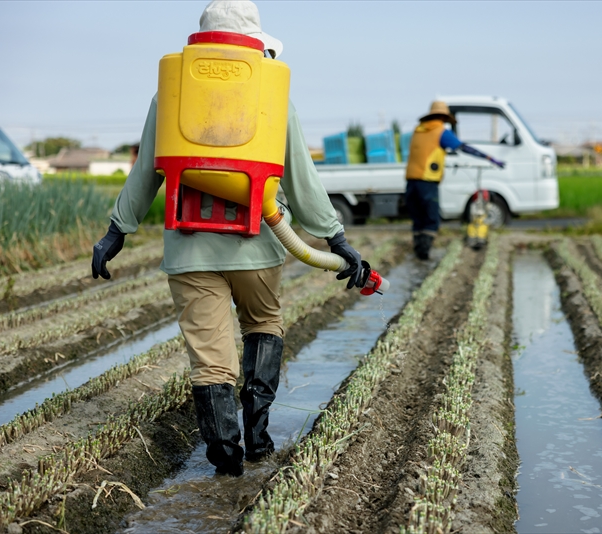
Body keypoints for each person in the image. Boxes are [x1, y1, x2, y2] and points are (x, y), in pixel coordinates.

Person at [90, 0, 365, 477]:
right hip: (257, 244)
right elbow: (302, 176)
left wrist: (117, 231)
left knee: (211, 360)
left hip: (189, 248)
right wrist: (335, 239)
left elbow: (145, 173)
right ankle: (258, 439)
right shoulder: (273, 95)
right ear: (255, 42)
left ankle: (225, 461)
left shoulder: (170, 93)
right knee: (263, 322)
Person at [405, 101, 504, 260]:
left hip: (411, 181)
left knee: (418, 220)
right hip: (427, 182)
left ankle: (418, 254)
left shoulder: (418, 131)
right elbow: (463, 147)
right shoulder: (441, 132)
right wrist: (489, 157)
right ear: (443, 117)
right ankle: (424, 256)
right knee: (431, 219)